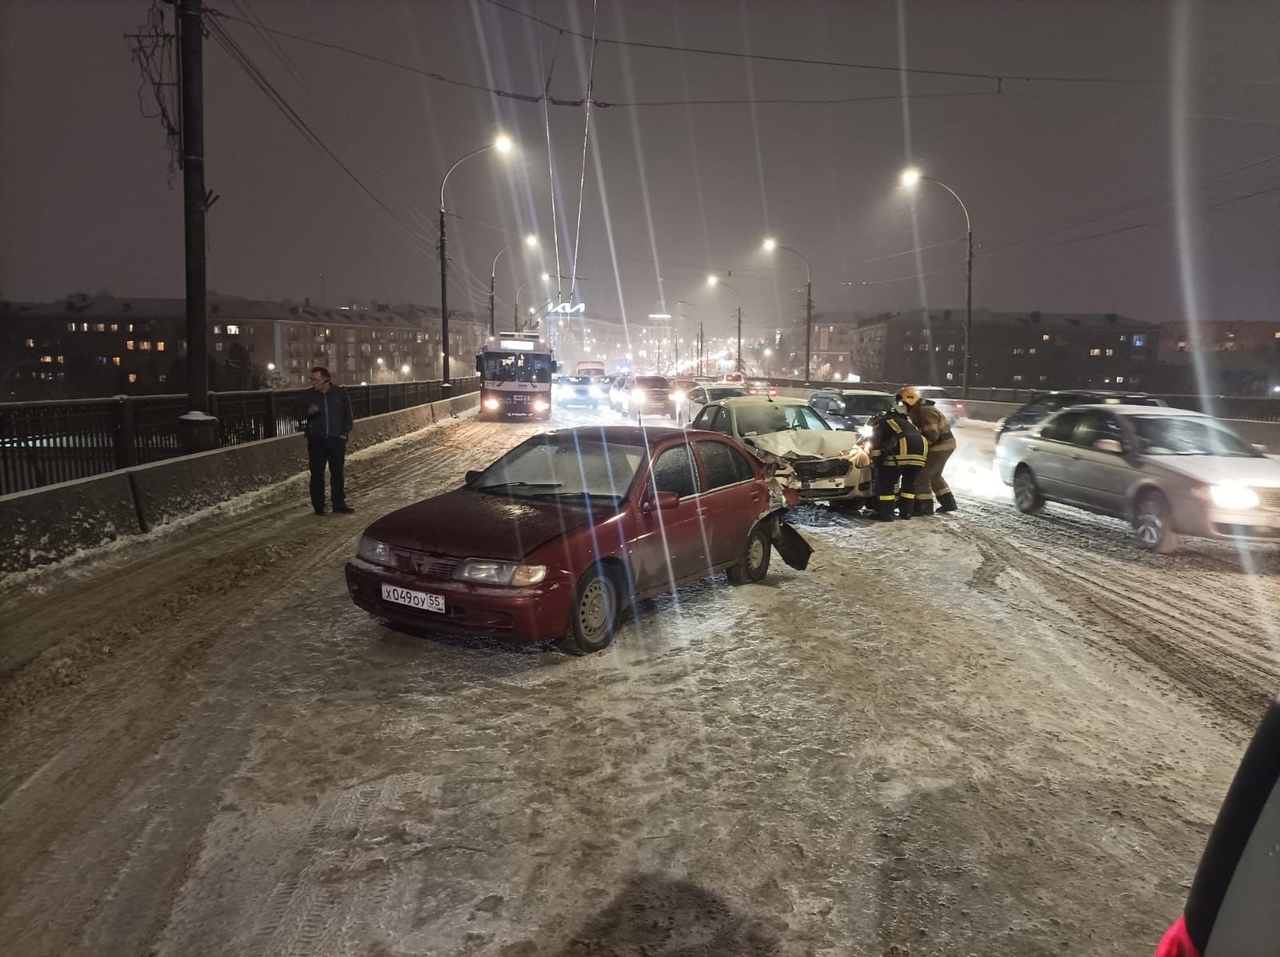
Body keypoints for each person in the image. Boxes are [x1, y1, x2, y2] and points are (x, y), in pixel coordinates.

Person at [297, 366, 354, 515]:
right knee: (317, 474)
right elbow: (296, 413)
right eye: (311, 380)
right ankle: (319, 507)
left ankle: (339, 504)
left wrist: (343, 434)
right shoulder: (308, 396)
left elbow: (348, 416)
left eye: (315, 380)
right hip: (316, 441)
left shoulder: (339, 394)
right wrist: (307, 411)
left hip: (336, 440)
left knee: (337, 473)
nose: (312, 383)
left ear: (325, 380)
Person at [897, 385, 958, 515]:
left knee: (922, 476)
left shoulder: (924, 411)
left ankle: (924, 507)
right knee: (935, 475)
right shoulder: (921, 409)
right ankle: (948, 503)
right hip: (945, 446)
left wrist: (920, 446)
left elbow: (932, 434)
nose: (902, 406)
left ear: (909, 401)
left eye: (903, 403)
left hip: (939, 448)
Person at [863, 406, 928, 521]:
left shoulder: (882, 422)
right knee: (909, 484)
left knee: (886, 483)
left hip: (903, 451)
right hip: (921, 452)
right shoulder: (905, 423)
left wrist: (877, 464)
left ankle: (886, 514)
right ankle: (906, 513)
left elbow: (876, 444)